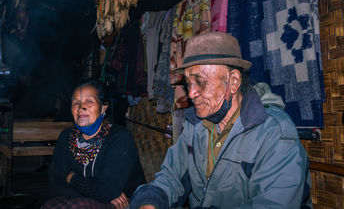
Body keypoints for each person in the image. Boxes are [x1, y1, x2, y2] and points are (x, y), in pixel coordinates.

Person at [130, 31, 312, 209]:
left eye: (200, 81)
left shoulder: (274, 133)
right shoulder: (195, 125)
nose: (191, 93)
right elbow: (172, 176)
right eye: (188, 83)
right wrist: (151, 200)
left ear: (233, 81)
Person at [46, 80, 146, 209]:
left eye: (89, 101)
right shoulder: (67, 137)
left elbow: (106, 191)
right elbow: (55, 185)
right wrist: (93, 193)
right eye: (76, 103)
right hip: (77, 202)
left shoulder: (119, 138)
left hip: (123, 205)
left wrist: (72, 178)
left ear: (103, 107)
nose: (81, 107)